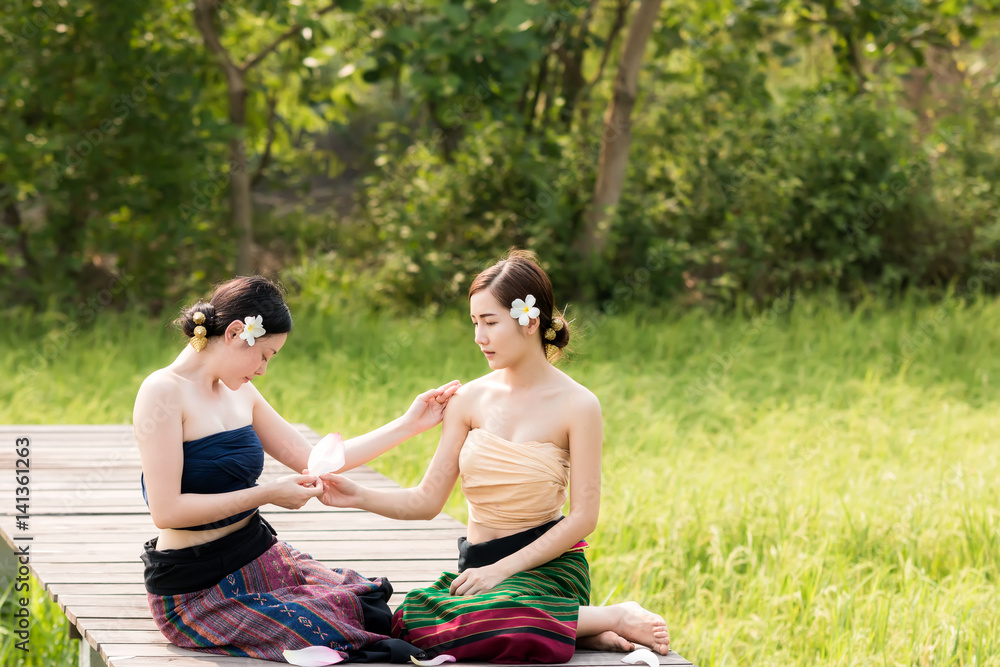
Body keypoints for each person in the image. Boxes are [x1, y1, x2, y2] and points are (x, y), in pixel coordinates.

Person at [317, 250, 671, 663]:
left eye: (489, 323)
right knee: (412, 620)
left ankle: (615, 615)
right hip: (477, 573)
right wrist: (357, 495)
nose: (478, 337)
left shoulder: (579, 404)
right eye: (474, 323)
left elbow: (583, 518)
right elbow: (427, 500)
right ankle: (579, 628)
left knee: (497, 618)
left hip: (546, 572)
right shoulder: (469, 399)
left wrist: (502, 570)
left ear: (530, 321)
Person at [133, 275, 460, 663]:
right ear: (238, 332)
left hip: (256, 554)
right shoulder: (163, 391)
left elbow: (313, 459)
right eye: (266, 355)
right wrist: (268, 494)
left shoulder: (240, 393)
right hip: (196, 587)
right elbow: (166, 511)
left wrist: (410, 424)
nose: (262, 370)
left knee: (367, 609)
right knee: (331, 639)